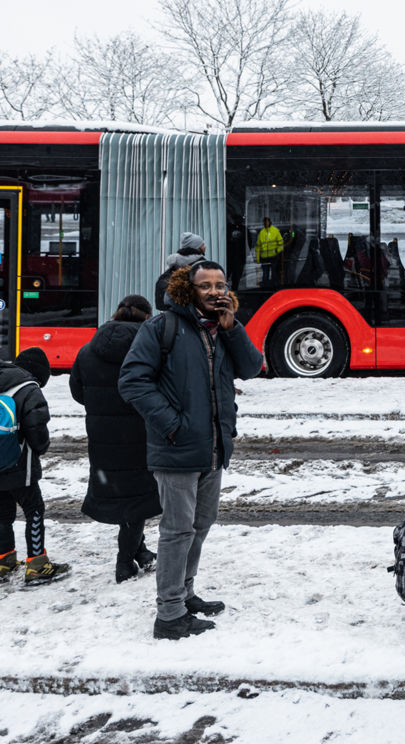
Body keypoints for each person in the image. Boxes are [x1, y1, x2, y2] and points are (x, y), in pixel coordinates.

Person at [118, 261, 264, 640]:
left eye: (221, 285)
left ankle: (184, 594)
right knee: (177, 530)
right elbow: (132, 381)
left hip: (213, 447)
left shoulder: (224, 329)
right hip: (176, 448)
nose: (215, 292)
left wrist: (233, 329)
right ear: (188, 290)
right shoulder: (161, 327)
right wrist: (172, 425)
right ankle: (168, 615)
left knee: (200, 525)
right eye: (206, 286)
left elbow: (251, 368)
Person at [70, 294, 163, 583]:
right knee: (137, 501)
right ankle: (124, 564)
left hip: (103, 437)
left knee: (126, 497)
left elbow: (77, 392)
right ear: (147, 317)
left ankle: (141, 552)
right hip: (140, 436)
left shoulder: (88, 351)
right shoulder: (150, 349)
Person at [0, 348, 70, 586]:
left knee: (2, 512)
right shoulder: (29, 388)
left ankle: (4, 560)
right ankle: (38, 565)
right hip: (20, 463)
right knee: (34, 509)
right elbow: (37, 427)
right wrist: (40, 448)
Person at [154, 232, 205, 312]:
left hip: (171, 308)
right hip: (191, 309)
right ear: (197, 247)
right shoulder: (199, 264)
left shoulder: (173, 263)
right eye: (202, 244)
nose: (204, 246)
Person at [254, 217, 284, 288]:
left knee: (274, 273)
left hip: (274, 256)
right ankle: (265, 288)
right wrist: (258, 258)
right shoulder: (262, 232)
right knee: (265, 274)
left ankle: (274, 288)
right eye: (265, 222)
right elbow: (258, 246)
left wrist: (277, 251)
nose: (266, 223)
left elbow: (281, 244)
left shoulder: (275, 231)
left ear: (270, 222)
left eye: (267, 222)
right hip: (264, 257)